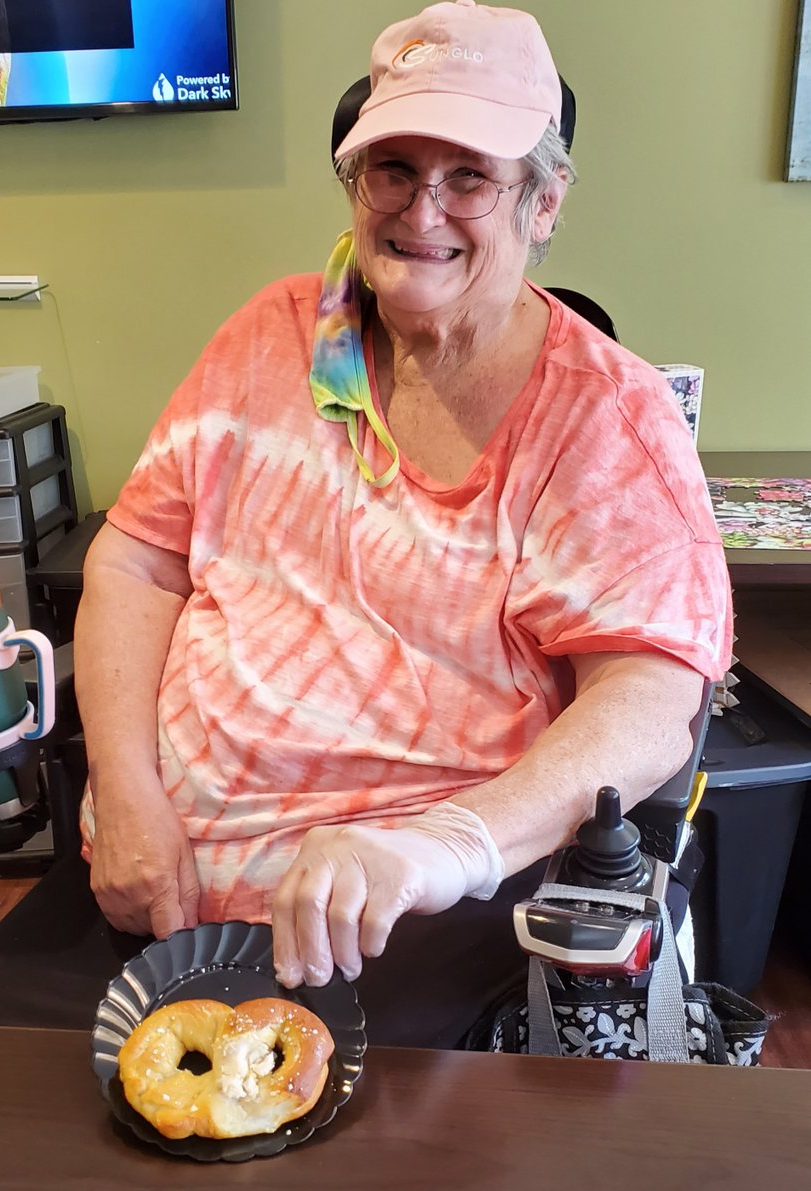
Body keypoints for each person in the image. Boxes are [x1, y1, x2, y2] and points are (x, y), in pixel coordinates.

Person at [73, 0, 732, 1048]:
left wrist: (444, 848)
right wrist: (128, 792)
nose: (422, 210)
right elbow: (137, 560)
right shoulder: (270, 335)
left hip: (422, 915)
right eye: (393, 169)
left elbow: (651, 700)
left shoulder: (607, 420)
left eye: (469, 175)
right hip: (150, 887)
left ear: (546, 198)